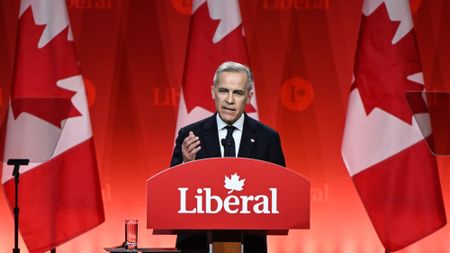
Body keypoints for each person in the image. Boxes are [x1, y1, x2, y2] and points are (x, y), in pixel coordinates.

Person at [171, 61, 286, 253]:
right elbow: (170, 196)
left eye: (238, 93)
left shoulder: (267, 139)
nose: (229, 100)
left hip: (250, 245)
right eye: (224, 91)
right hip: (197, 244)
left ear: (249, 97)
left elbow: (281, 194)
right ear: (213, 92)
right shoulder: (190, 135)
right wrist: (186, 164)